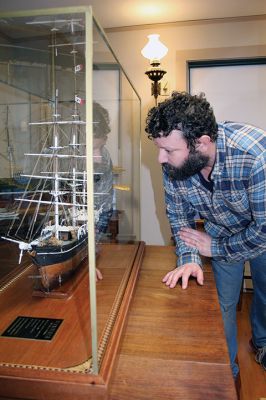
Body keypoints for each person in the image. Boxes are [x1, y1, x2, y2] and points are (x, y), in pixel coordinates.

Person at [145, 91, 266, 378]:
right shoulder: (174, 164)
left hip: (258, 235)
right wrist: (189, 258)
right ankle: (228, 373)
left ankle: (261, 342)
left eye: (169, 151)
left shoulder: (257, 155)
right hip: (217, 235)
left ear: (202, 143)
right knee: (220, 307)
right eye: (159, 148)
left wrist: (217, 248)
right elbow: (179, 216)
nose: (161, 158)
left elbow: (264, 231)